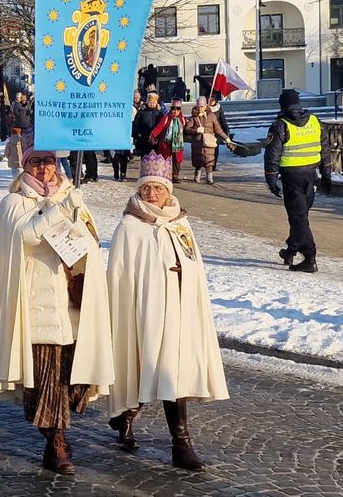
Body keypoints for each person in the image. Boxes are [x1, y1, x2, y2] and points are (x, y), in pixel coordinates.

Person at [0, 134, 114, 475]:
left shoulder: (73, 197)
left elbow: (91, 240)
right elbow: (24, 238)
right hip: (36, 305)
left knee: (69, 377)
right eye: (35, 162)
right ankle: (55, 440)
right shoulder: (14, 201)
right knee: (46, 379)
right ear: (24, 165)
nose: (43, 168)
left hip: (73, 303)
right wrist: (54, 212)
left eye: (48, 161)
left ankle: (58, 433)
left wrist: (74, 216)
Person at [106, 153, 229, 469]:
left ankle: (180, 443)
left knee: (173, 373)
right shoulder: (130, 225)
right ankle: (126, 415)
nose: (151, 194)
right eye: (146, 188)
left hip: (180, 309)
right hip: (147, 312)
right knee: (148, 367)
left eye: (158, 188)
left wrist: (183, 273)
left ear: (168, 190)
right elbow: (119, 275)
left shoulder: (180, 223)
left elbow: (193, 263)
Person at [264, 89, 332, 273]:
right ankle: (291, 250)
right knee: (301, 216)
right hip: (312, 176)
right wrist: (327, 175)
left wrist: (271, 180)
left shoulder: (280, 125)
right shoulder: (314, 121)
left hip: (292, 177)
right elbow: (325, 150)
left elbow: (272, 154)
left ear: (282, 105)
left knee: (298, 217)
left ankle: (310, 258)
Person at [187, 98, 235, 184]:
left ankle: (209, 176)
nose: (200, 108)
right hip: (197, 143)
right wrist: (196, 130)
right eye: (199, 106)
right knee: (198, 159)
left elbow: (218, 129)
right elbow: (187, 129)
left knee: (209, 160)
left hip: (209, 142)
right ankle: (197, 173)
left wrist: (226, 138)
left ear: (205, 106)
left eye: (202, 106)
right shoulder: (193, 117)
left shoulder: (211, 116)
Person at [151, 99, 190, 183]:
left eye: (177, 109)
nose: (175, 111)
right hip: (166, 143)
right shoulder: (167, 118)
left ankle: (175, 176)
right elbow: (159, 127)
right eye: (173, 109)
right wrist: (153, 135)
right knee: (165, 160)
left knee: (177, 160)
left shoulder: (182, 119)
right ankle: (165, 174)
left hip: (177, 144)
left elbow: (187, 129)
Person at [132, 91, 164, 157]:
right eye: (150, 102)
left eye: (153, 103)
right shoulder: (141, 113)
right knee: (145, 159)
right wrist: (138, 136)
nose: (152, 104)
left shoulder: (160, 114)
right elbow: (135, 125)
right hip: (144, 140)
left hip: (156, 141)